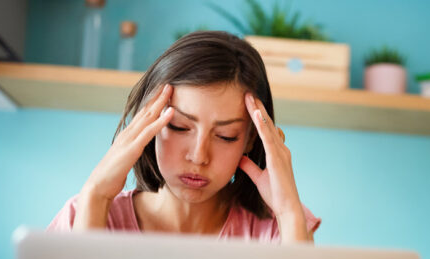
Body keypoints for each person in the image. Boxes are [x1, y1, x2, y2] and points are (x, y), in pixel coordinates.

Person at [48, 31, 320, 243]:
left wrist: (288, 212)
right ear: (148, 123)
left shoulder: (280, 230)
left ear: (251, 139)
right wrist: (95, 196)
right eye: (179, 126)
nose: (198, 156)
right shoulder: (83, 212)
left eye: (226, 136)